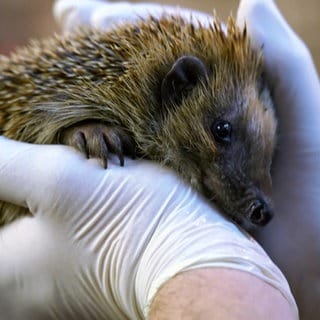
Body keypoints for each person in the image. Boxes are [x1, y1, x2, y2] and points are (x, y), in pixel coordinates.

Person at [0, 0, 319, 318]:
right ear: (178, 86)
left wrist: (304, 281)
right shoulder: (85, 99)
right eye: (222, 132)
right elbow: (27, 117)